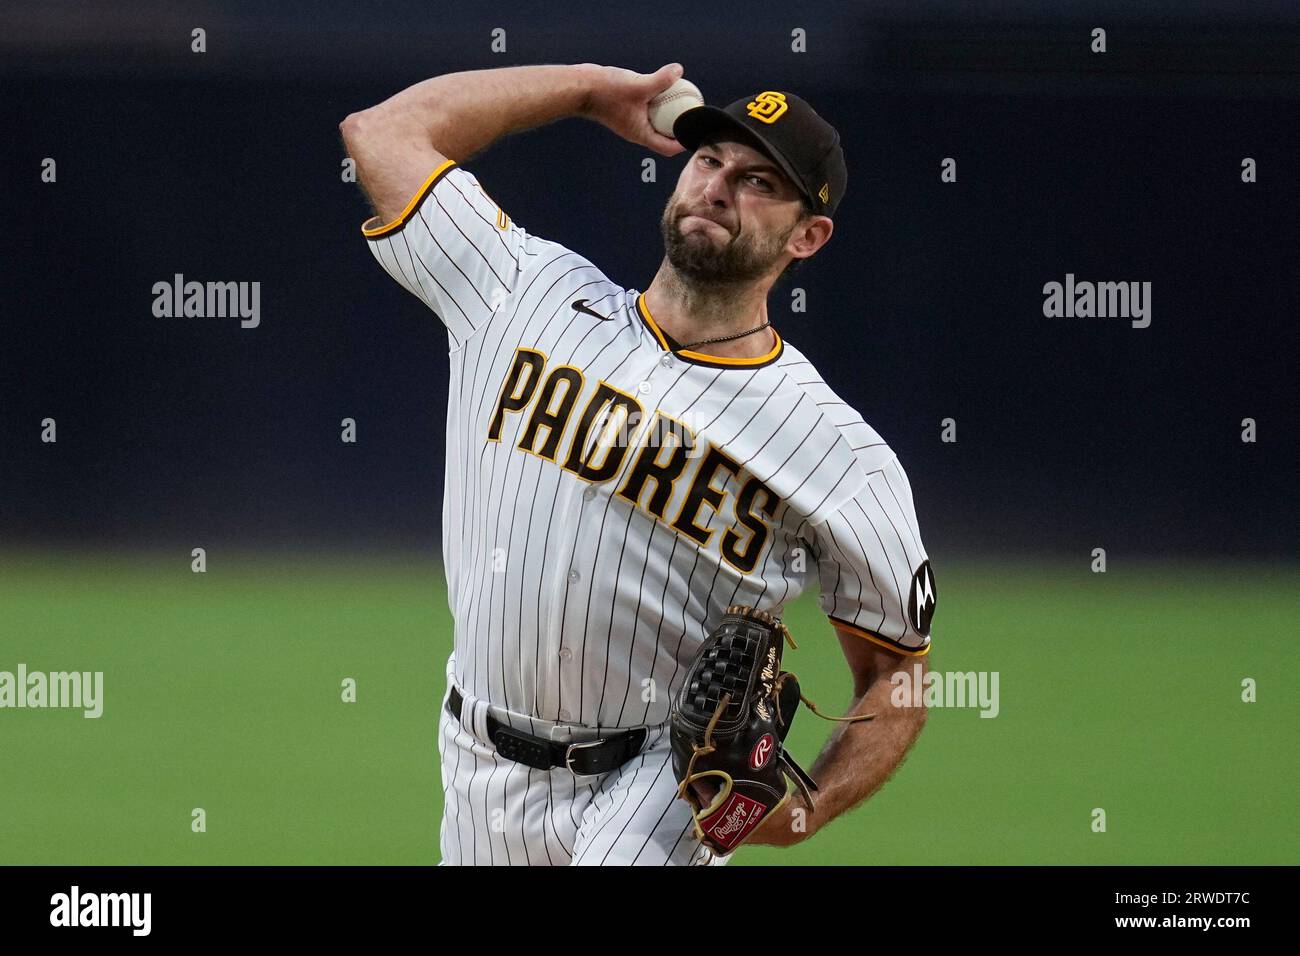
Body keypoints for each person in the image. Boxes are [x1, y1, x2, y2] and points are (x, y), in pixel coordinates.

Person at [340, 63, 936, 866]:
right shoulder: (521, 292)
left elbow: (896, 677)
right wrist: (586, 91)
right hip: (476, 762)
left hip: (662, 784)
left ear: (808, 236)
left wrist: (805, 812)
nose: (719, 187)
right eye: (708, 160)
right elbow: (382, 132)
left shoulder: (839, 454)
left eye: (758, 180)